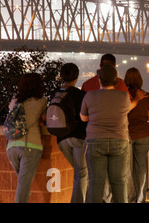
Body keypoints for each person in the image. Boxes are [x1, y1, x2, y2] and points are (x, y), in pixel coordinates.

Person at [80, 65, 131, 203]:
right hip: (119, 140)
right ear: (116, 81)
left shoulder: (90, 95)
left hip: (95, 140)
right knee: (119, 182)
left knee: (96, 183)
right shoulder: (124, 96)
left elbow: (83, 118)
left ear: (99, 80)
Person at [6, 73, 47, 203]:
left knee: (23, 185)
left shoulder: (14, 100)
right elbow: (45, 120)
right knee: (23, 186)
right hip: (30, 146)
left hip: (11, 147)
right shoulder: (41, 101)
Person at [55, 63, 88, 203]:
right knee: (82, 173)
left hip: (61, 139)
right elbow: (86, 116)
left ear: (62, 76)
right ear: (76, 77)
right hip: (79, 138)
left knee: (80, 172)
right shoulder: (81, 95)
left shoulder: (55, 93)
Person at [125, 67, 149, 203]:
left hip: (128, 135)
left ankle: (129, 197)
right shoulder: (147, 96)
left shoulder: (124, 95)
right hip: (143, 134)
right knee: (141, 167)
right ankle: (141, 198)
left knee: (128, 169)